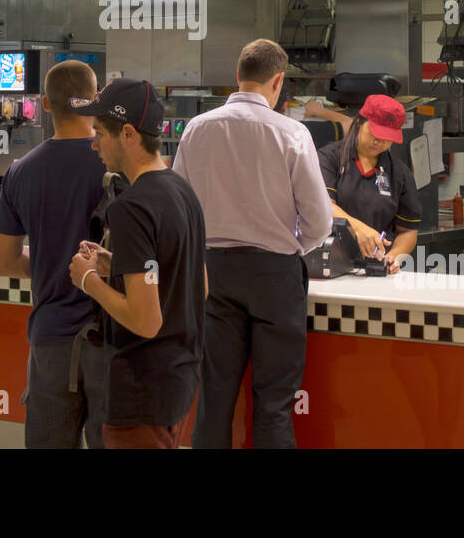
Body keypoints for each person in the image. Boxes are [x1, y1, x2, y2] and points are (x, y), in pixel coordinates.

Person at [172, 39, 333, 449]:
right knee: (273, 405)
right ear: (278, 81)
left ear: (237, 77)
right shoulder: (292, 134)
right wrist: (292, 245)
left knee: (213, 400)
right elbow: (319, 221)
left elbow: (179, 210)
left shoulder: (197, 129)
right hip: (275, 277)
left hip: (213, 274)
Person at [66, 78, 205, 449]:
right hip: (179, 383)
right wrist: (118, 266)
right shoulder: (181, 190)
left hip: (141, 391)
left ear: (127, 134)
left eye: (99, 133)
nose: (93, 144)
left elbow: (146, 321)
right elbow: (195, 282)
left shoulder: (130, 207)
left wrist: (90, 280)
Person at [0, 59, 108, 448]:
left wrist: (51, 267)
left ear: (44, 103)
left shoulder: (21, 171)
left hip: (51, 339)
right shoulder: (117, 166)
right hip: (111, 337)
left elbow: (4, 262)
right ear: (95, 99)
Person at [317, 95, 421, 273]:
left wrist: (395, 255)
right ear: (358, 123)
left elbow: (408, 230)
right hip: (330, 264)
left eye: (387, 139)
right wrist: (358, 229)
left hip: (375, 268)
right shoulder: (330, 158)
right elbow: (324, 206)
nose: (380, 142)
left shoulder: (399, 173)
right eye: (375, 135)